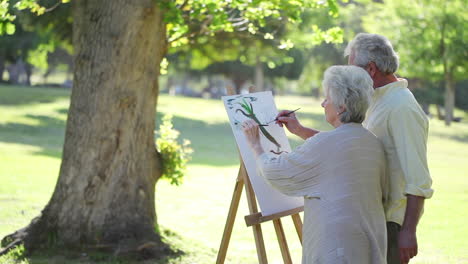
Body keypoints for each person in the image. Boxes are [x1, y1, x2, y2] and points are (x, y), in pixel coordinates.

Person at [242, 65, 387, 264]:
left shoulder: (326, 144)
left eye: (327, 98)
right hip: (368, 241)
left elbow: (276, 171)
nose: (322, 103)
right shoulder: (371, 141)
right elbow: (338, 146)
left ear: (342, 106)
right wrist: (299, 129)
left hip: (337, 248)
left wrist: (255, 145)